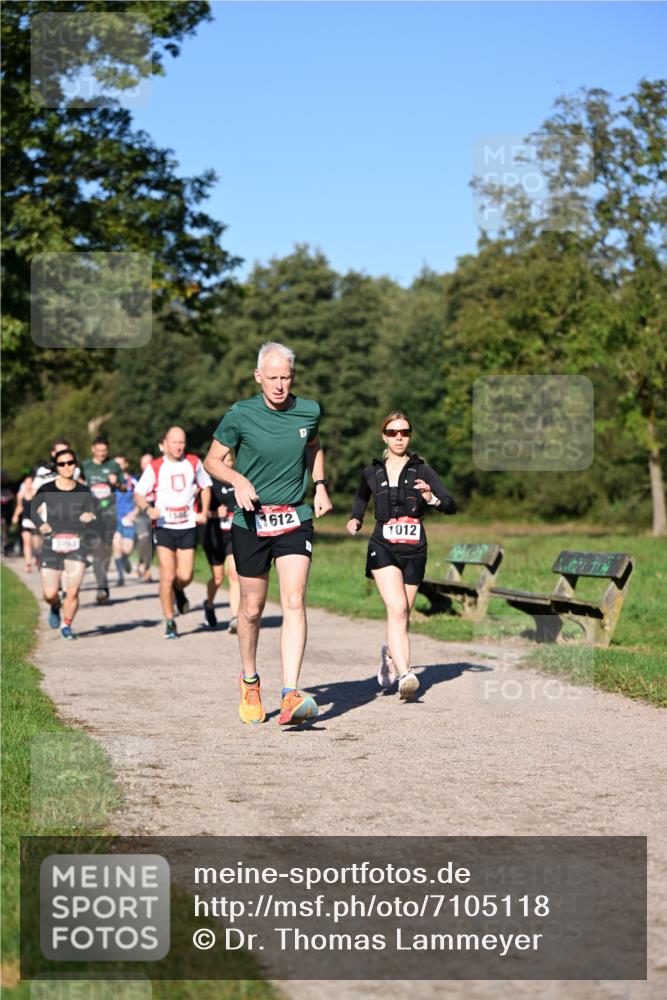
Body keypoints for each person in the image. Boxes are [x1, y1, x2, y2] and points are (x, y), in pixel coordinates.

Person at [204, 341, 332, 726]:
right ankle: (250, 681)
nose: (279, 385)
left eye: (285, 377)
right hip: (251, 520)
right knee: (251, 608)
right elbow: (212, 461)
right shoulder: (240, 414)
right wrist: (238, 480)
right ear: (258, 376)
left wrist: (320, 485)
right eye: (272, 377)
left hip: (294, 516)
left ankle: (291, 692)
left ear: (293, 377)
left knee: (294, 599)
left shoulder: (309, 411)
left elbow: (314, 446)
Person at [346, 411, 456, 699]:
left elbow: (450, 504)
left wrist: (432, 498)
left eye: (404, 432)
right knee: (396, 609)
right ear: (384, 436)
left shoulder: (423, 470)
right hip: (382, 545)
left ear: (410, 436)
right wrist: (356, 518)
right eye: (393, 432)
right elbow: (361, 497)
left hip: (415, 548)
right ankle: (407, 674)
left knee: (403, 614)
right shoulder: (371, 472)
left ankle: (390, 653)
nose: (399, 437)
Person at [134, 427, 211, 638]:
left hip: (187, 525)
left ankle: (179, 589)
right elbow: (139, 493)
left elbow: (205, 486)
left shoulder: (194, 462)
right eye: (175, 442)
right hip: (164, 526)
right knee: (167, 576)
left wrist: (204, 511)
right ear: (165, 443)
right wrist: (148, 509)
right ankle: (170, 620)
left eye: (182, 442)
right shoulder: (155, 466)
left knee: (185, 576)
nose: (179, 446)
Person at [30, 448, 97, 639]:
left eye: (70, 463)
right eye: (62, 464)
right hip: (52, 543)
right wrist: (41, 524)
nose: (67, 467)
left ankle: (66, 626)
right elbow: (32, 510)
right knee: (50, 594)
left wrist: (89, 516)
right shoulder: (47, 488)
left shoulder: (84, 491)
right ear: (56, 467)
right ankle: (55, 605)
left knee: (73, 591)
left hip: (77, 543)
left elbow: (93, 513)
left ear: (75, 465)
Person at [80, 436, 124, 604]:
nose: (102, 454)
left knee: (105, 550)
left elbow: (124, 487)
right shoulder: (85, 466)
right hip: (92, 513)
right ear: (93, 449)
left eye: (104, 451)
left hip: (109, 514)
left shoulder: (113, 465)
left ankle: (102, 580)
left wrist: (116, 483)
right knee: (96, 548)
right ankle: (101, 585)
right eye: (99, 451)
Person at [202, 451, 240, 631]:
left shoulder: (238, 481)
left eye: (230, 460)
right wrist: (215, 513)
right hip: (214, 536)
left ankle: (235, 618)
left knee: (234, 574)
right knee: (217, 578)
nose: (227, 463)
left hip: (233, 535)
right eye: (223, 460)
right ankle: (209, 604)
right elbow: (200, 513)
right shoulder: (208, 484)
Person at [112, 455, 137, 585]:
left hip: (128, 519)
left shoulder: (132, 482)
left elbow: (140, 498)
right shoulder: (111, 482)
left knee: (127, 549)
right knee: (116, 545)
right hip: (114, 519)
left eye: (120, 464)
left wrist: (135, 512)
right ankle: (120, 576)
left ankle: (125, 559)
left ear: (126, 464)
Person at [11, 471, 38, 571]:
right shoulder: (20, 495)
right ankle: (28, 563)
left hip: (35, 521)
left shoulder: (36, 493)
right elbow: (19, 506)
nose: (28, 485)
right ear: (24, 484)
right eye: (27, 483)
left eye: (30, 483)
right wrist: (15, 516)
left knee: (36, 544)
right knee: (26, 542)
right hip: (25, 520)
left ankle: (38, 556)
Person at [134, 453, 154, 582]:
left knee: (152, 543)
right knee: (144, 539)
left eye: (149, 462)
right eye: (144, 463)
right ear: (141, 465)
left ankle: (147, 569)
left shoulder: (159, 477)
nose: (147, 465)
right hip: (141, 515)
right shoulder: (136, 480)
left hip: (156, 515)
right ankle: (141, 561)